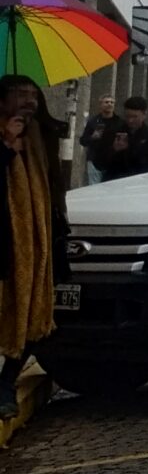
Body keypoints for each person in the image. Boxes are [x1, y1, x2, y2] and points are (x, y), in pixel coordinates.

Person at [0, 75, 66, 422]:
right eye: (20, 95)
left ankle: (6, 382)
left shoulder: (43, 136)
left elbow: (55, 185)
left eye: (33, 96)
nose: (29, 101)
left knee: (34, 315)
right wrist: (5, 146)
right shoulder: (7, 135)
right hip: (5, 237)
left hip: (37, 239)